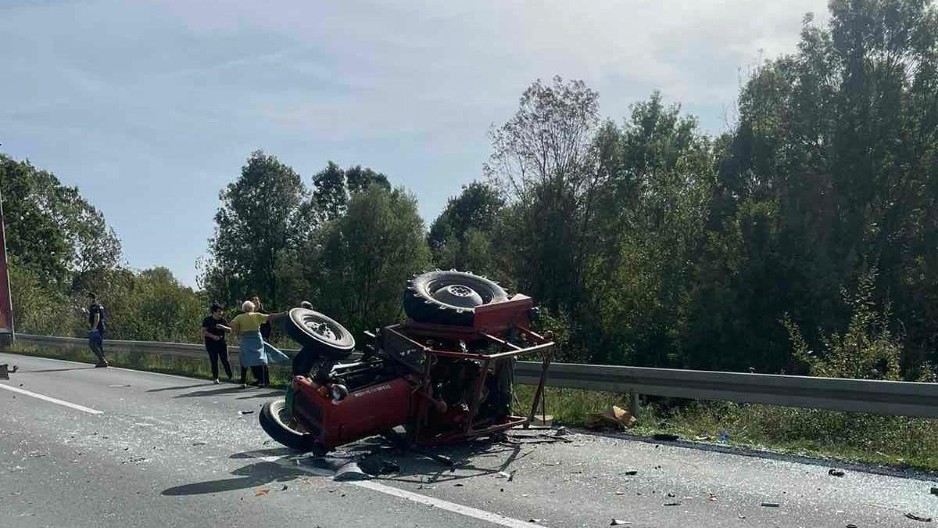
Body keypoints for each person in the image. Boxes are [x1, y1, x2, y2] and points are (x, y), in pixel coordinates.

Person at [229, 300, 286, 388]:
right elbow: (270, 316)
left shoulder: (239, 317)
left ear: (244, 308)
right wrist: (282, 314)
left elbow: (232, 324)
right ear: (252, 308)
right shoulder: (256, 315)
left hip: (246, 339)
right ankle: (262, 381)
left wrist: (238, 331)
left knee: (244, 360)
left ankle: (243, 382)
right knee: (260, 359)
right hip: (256, 339)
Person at [201, 303, 232, 384]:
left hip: (222, 343)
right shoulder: (207, 320)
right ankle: (216, 378)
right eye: (218, 311)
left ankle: (230, 376)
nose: (220, 313)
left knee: (225, 360)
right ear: (213, 312)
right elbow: (204, 331)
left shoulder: (222, 320)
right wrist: (213, 336)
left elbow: (229, 330)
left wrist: (222, 327)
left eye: (221, 311)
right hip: (210, 344)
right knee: (214, 360)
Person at [87, 293, 108, 368]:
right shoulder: (99, 306)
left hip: (97, 328)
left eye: (88, 298)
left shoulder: (94, 306)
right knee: (99, 344)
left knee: (92, 344)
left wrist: (94, 327)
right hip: (101, 327)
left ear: (92, 298)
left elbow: (97, 316)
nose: (87, 300)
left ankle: (102, 360)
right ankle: (103, 361)